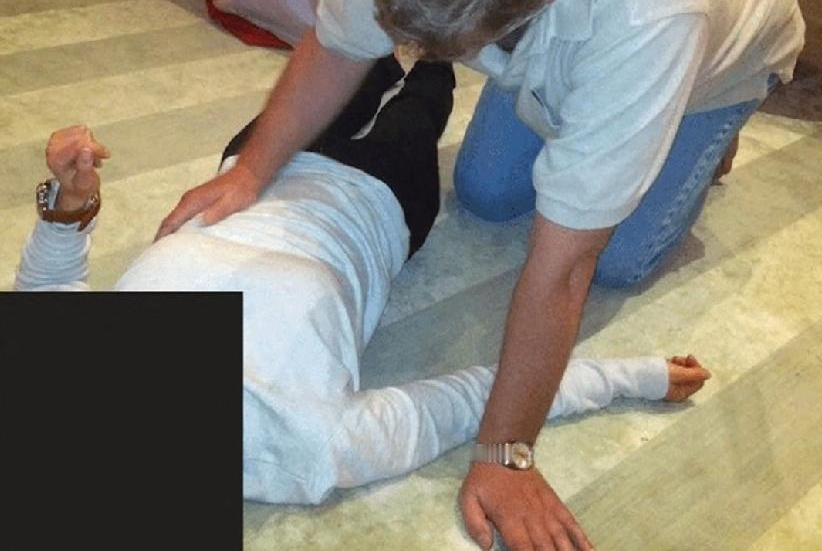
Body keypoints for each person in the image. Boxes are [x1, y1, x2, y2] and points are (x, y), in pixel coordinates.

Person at [156, 0, 801, 547]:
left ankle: (711, 127)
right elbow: (338, 44)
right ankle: (601, 118)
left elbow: (565, 269)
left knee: (615, 259)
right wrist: (251, 170)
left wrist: (506, 452)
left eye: (450, 46)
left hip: (725, 43)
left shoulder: (652, 7)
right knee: (488, 194)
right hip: (598, 6)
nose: (417, 52)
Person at [16, 60, 710, 507]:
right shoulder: (306, 447)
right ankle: (434, 59)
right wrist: (634, 376)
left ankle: (385, 42)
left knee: (354, 57)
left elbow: (48, 288)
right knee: (428, 88)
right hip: (377, 197)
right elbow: (464, 402)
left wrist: (70, 198)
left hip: (251, 166)